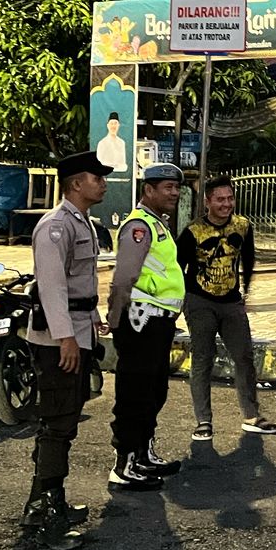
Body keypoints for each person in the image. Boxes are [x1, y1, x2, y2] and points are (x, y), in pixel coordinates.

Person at [23, 150, 113, 550]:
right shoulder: (55, 226)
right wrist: (66, 338)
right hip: (59, 341)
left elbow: (81, 283)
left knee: (64, 421)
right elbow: (52, 287)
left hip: (77, 330)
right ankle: (47, 516)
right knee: (57, 424)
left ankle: (41, 504)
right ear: (76, 183)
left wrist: (91, 316)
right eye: (97, 177)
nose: (103, 182)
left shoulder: (82, 224)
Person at [176, 175, 276, 441]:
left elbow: (249, 258)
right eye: (220, 199)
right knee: (202, 358)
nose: (226, 204)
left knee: (244, 356)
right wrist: (181, 303)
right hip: (200, 300)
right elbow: (178, 269)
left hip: (232, 301)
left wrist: (245, 292)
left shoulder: (243, 226)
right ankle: (203, 420)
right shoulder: (193, 232)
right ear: (208, 201)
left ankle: (251, 415)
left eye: (230, 198)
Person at [105, 163, 187, 491]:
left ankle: (142, 454)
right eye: (168, 187)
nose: (175, 193)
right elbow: (124, 276)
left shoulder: (157, 224)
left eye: (177, 188)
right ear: (148, 190)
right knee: (135, 393)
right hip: (140, 320)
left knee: (154, 391)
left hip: (157, 322)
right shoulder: (139, 226)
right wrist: (114, 319)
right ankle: (123, 465)